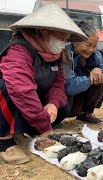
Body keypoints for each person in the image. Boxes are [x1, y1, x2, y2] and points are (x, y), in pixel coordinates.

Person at [0, 4, 87, 165]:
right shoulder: (19, 49)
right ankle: (3, 140)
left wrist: (53, 104)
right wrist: (45, 127)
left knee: (63, 107)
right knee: (6, 87)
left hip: (31, 104)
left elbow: (59, 84)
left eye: (66, 39)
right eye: (61, 37)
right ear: (45, 31)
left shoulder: (58, 54)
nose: (64, 43)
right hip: (14, 100)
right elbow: (21, 91)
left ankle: (23, 130)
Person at [64, 21, 103, 124]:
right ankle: (58, 116)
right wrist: (90, 79)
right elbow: (68, 87)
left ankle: (85, 113)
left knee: (100, 81)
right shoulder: (66, 54)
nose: (91, 50)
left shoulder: (95, 56)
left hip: (80, 95)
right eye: (88, 45)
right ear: (76, 41)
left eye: (94, 46)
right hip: (67, 97)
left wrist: (98, 71)